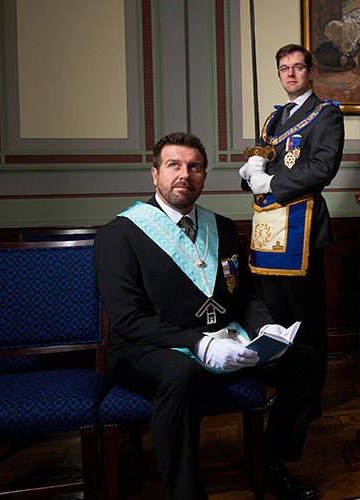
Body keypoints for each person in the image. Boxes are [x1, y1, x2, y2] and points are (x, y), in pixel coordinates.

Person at [95, 132, 324, 500]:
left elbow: (244, 295)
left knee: (306, 361)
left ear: (204, 176)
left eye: (194, 167)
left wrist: (262, 327)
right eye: (174, 166)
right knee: (180, 373)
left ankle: (270, 464)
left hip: (225, 341)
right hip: (146, 348)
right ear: (155, 175)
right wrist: (197, 344)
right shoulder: (119, 234)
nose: (184, 174)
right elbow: (129, 321)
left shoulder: (222, 227)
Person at [239, 43, 345, 419]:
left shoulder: (326, 115)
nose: (290, 74)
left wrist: (270, 183)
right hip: (271, 232)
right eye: (284, 68)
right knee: (276, 317)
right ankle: (286, 394)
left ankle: (309, 399)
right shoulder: (274, 119)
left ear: (310, 72)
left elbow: (322, 167)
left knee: (308, 320)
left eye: (298, 67)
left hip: (304, 228)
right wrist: (250, 172)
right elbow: (264, 166)